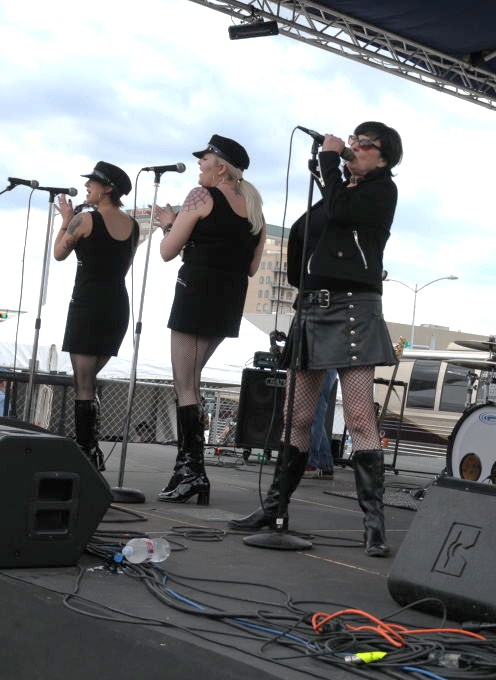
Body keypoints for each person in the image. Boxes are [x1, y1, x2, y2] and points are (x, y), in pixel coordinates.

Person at [230, 122, 402, 558]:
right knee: (296, 415)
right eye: (354, 140)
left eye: (365, 144)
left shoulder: (381, 192)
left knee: (359, 417)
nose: (355, 146)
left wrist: (328, 159)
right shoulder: (337, 192)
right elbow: (308, 230)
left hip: (353, 309)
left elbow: (344, 212)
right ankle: (275, 508)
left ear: (383, 157)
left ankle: (374, 524)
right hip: (312, 308)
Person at [152, 135, 266, 505]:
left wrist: (169, 225)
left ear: (220, 166)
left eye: (205, 158)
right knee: (192, 382)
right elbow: (252, 268)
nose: (199, 164)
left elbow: (167, 251)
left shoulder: (200, 197)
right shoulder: (256, 212)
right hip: (228, 301)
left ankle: (192, 472)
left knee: (185, 383)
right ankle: (187, 469)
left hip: (195, 293)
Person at [54, 162, 139, 470]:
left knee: (84, 383)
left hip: (87, 304)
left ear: (107, 189)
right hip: (116, 306)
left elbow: (59, 253)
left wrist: (66, 221)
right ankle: (90, 449)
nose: (87, 186)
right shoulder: (134, 226)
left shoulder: (85, 219)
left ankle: (87, 452)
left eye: (92, 182)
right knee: (87, 381)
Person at [305, 369, 338, 479]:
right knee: (315, 413)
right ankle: (324, 465)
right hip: (321, 363)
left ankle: (312, 464)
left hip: (324, 363)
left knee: (316, 410)